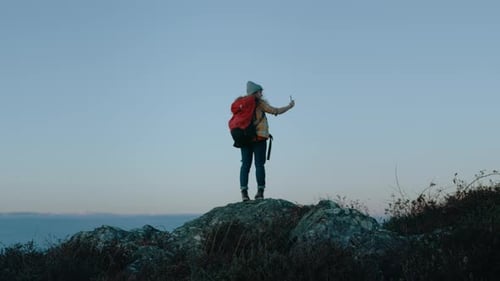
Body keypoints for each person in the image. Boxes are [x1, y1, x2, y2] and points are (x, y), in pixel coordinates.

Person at [239, 81, 295, 201]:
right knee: (259, 165)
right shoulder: (260, 103)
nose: (262, 93)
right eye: (260, 91)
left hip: (244, 139)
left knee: (245, 166)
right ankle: (260, 192)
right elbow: (275, 111)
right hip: (259, 138)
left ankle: (244, 193)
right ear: (256, 92)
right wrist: (289, 106)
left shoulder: (240, 104)